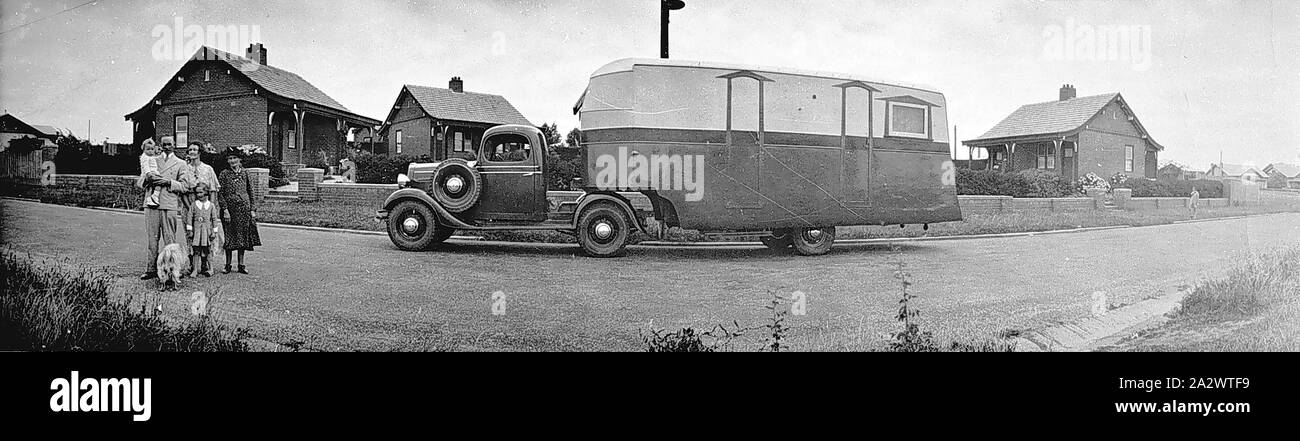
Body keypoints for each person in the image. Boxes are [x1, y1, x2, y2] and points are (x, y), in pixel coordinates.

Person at [139, 136, 195, 280]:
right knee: (152, 238)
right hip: (151, 204)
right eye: (164, 144)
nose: (166, 147)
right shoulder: (151, 159)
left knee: (170, 238)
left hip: (169, 204)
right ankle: (151, 269)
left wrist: (168, 182)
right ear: (161, 145)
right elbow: (140, 182)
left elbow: (185, 186)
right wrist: (147, 179)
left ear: (174, 145)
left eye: (169, 144)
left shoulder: (181, 164)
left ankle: (171, 270)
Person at [218, 152, 261, 274]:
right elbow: (220, 194)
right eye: (230, 158)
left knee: (242, 236)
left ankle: (241, 264)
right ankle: (227, 264)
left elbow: (251, 191)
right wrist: (225, 210)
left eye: (234, 158)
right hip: (230, 210)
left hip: (244, 209)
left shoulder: (245, 172)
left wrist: (252, 209)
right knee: (230, 236)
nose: (232, 161)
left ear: (240, 159)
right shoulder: (224, 174)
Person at [185, 183, 220, 277]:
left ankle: (211, 269)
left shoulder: (211, 205)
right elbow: (189, 218)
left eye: (201, 192)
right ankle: (195, 270)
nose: (199, 195)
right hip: (197, 232)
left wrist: (214, 232)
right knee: (196, 250)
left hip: (207, 232)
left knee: (208, 250)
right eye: (197, 193)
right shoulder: (194, 205)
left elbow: (214, 219)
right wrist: (190, 230)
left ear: (206, 192)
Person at [136, 139, 162, 207]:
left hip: (154, 173)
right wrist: (148, 173)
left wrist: (160, 153)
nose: (150, 151)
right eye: (148, 149)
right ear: (143, 149)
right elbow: (145, 166)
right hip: (149, 175)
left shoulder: (150, 156)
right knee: (159, 183)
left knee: (152, 187)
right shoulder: (145, 157)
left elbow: (156, 158)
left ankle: (150, 199)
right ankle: (155, 196)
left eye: (152, 149)